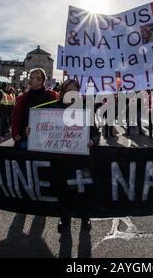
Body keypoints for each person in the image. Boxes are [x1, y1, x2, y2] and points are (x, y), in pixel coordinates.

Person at [44, 79, 99, 232]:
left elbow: (95, 132)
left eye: (75, 89)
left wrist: (92, 141)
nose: (72, 92)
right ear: (63, 91)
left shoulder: (84, 108)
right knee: (64, 188)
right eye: (69, 89)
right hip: (62, 157)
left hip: (81, 157)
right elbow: (45, 130)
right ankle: (65, 218)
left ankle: (85, 218)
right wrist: (32, 132)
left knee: (84, 189)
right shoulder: (55, 107)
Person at [11, 68, 58, 149]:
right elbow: (15, 117)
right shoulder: (22, 98)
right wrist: (16, 133)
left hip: (46, 141)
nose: (29, 81)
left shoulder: (52, 96)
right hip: (25, 139)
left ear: (40, 80)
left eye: (32, 78)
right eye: (30, 78)